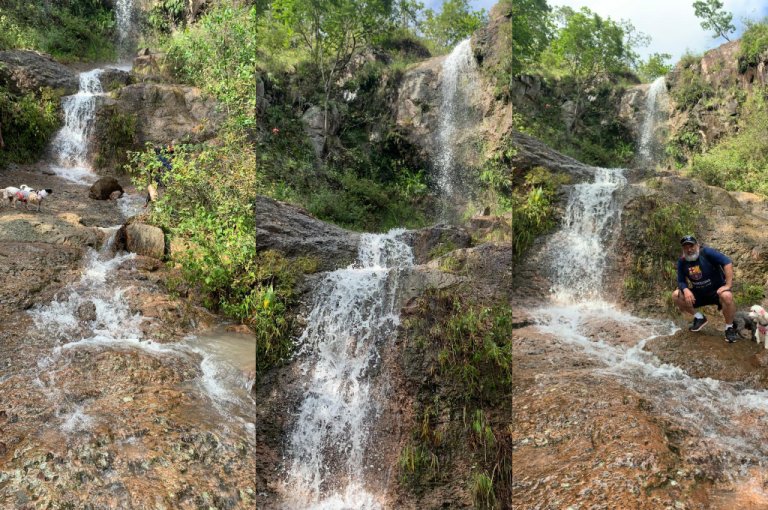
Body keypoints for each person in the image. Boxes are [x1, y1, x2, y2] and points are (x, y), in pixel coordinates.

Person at [672, 235, 738, 342]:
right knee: (676, 295)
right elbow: (681, 281)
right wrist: (685, 289)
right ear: (683, 249)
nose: (689, 249)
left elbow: (727, 262)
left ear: (697, 245)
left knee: (727, 295)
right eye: (686, 247)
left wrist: (728, 285)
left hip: (717, 291)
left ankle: (729, 328)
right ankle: (699, 317)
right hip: (699, 293)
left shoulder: (707, 253)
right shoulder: (682, 261)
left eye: (691, 246)